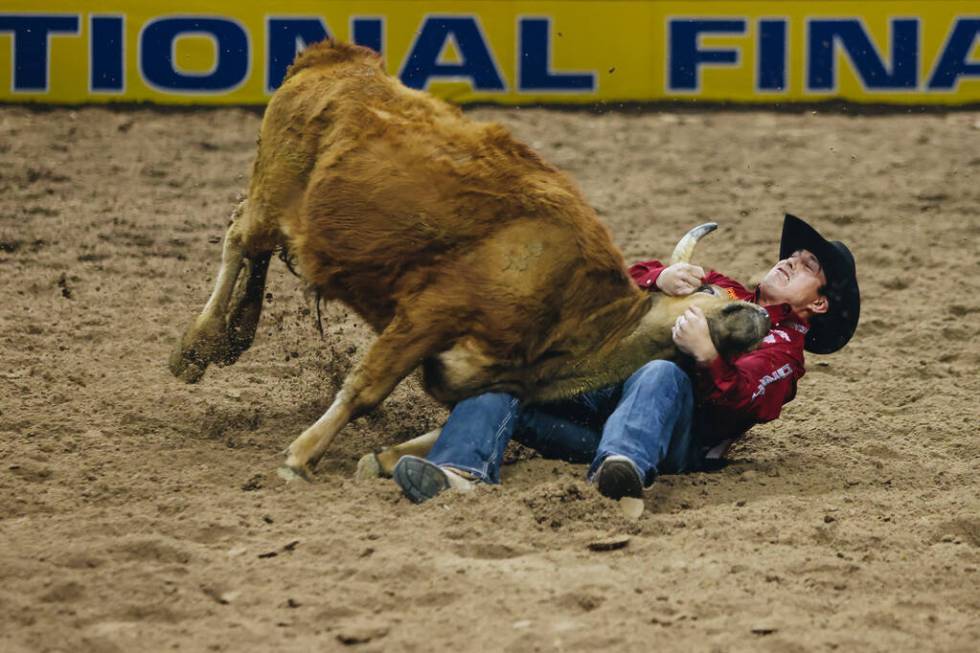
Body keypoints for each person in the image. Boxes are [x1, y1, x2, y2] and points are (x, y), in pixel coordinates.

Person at [391, 214, 860, 503]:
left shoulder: (783, 347)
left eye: (806, 267)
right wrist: (660, 277)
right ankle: (459, 472)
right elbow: (615, 283)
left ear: (817, 304)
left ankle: (621, 470)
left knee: (660, 371)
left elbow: (741, 401)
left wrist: (707, 355)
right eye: (792, 256)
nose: (789, 261)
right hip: (603, 402)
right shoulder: (723, 286)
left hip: (668, 442)